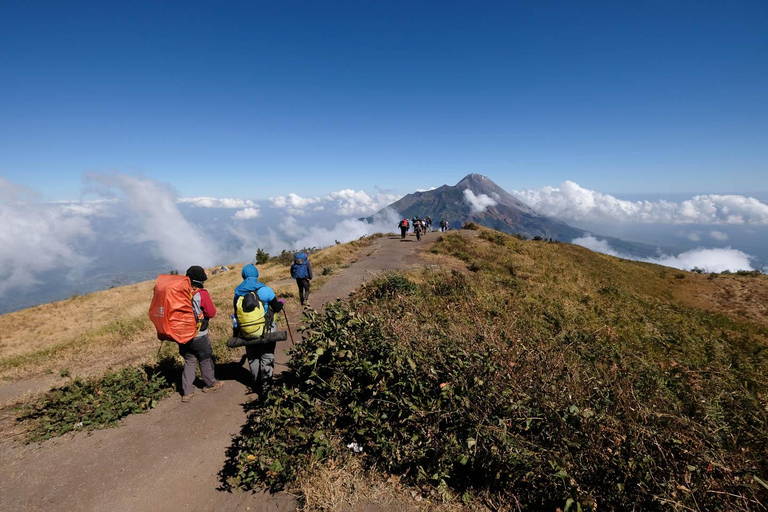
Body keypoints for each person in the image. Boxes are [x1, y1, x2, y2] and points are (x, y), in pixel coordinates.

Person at [233, 264, 285, 395]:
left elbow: (237, 314)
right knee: (267, 355)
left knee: (253, 357)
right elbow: (277, 308)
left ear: (243, 276)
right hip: (266, 330)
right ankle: (266, 385)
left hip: (247, 331)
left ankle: (256, 383)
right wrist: (282, 302)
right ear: (256, 275)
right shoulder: (265, 290)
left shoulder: (237, 293)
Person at [180, 265, 223, 403]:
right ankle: (211, 384)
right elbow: (211, 313)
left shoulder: (179, 292)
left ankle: (187, 392)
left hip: (182, 334)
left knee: (189, 360)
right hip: (199, 334)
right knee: (205, 358)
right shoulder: (201, 293)